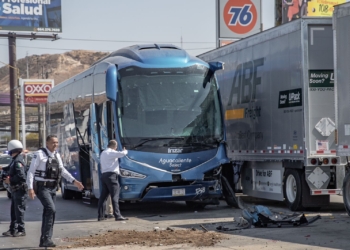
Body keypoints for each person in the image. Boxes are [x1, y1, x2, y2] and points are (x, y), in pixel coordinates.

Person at [27, 135, 84, 248]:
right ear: (47, 143)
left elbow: (62, 171)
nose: (55, 145)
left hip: (53, 187)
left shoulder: (57, 155)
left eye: (57, 142)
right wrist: (30, 188)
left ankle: (45, 239)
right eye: (53, 142)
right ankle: (46, 238)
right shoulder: (39, 154)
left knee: (50, 212)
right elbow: (31, 172)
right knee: (50, 209)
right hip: (42, 187)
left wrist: (74, 181)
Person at [1, 140, 28, 237]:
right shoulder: (15, 159)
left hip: (19, 189)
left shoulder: (18, 161)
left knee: (19, 210)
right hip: (15, 190)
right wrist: (2, 169)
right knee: (14, 210)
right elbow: (9, 168)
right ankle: (12, 229)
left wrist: (10, 180)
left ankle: (21, 230)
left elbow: (22, 176)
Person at [98, 140, 128, 221]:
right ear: (114, 146)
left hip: (104, 176)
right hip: (111, 176)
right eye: (116, 147)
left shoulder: (103, 153)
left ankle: (100, 216)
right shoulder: (111, 152)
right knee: (115, 196)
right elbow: (122, 154)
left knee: (103, 197)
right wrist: (125, 150)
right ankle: (117, 215)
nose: (116, 148)